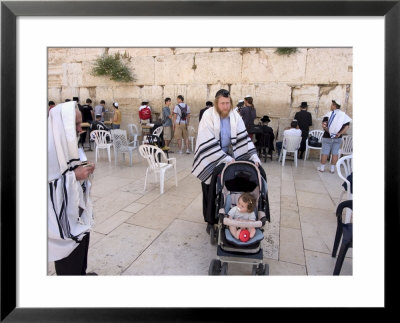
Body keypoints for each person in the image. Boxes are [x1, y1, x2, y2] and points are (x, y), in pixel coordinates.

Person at [192, 89, 261, 230]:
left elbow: (244, 138)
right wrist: (226, 158)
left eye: (228, 103)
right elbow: (206, 140)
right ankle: (210, 221)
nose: (225, 106)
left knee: (244, 176)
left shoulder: (235, 116)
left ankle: (239, 212)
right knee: (210, 187)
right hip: (211, 156)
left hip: (229, 154)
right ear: (217, 103)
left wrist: (253, 156)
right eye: (222, 103)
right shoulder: (208, 115)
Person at [48, 101, 96, 275]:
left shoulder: (69, 146)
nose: (80, 129)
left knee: (80, 263)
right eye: (75, 124)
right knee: (69, 268)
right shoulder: (47, 151)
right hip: (63, 228)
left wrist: (86, 170)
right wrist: (75, 176)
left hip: (79, 220)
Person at [318, 99, 351, 173]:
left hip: (327, 136)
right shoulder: (343, 115)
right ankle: (332, 169)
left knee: (325, 152)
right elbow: (347, 126)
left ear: (334, 105)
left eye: (332, 104)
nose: (330, 106)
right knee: (335, 153)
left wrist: (330, 132)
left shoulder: (329, 114)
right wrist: (339, 133)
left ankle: (322, 168)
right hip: (338, 137)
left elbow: (324, 125)